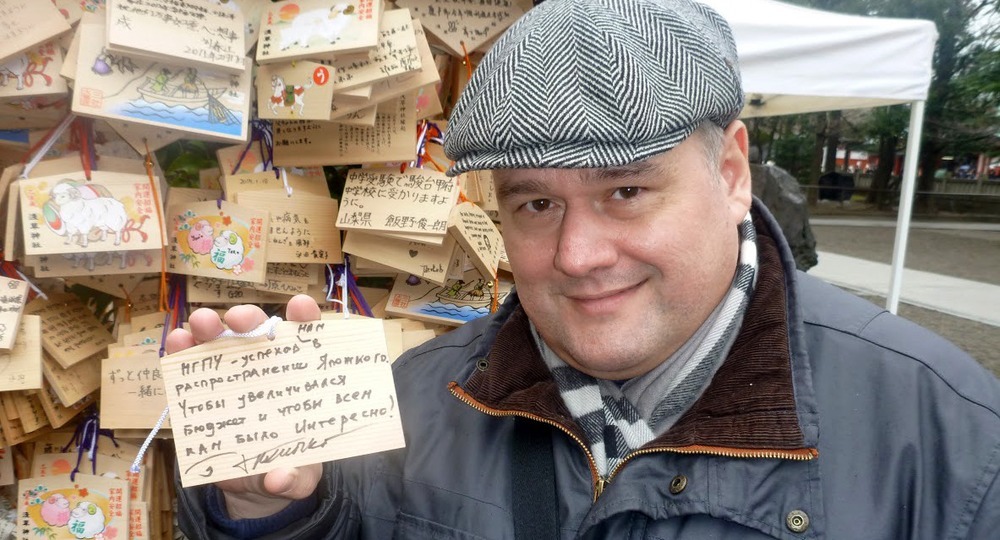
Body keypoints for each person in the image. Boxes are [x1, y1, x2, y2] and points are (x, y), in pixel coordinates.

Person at [168, 0, 1000, 538]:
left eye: (627, 191)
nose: (577, 255)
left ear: (732, 174)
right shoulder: (415, 402)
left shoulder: (947, 438)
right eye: (535, 204)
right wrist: (268, 508)